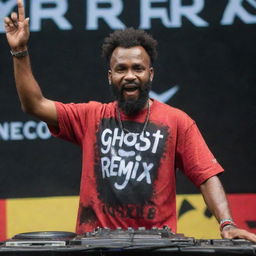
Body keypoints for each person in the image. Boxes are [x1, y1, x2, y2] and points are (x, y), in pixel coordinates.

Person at [4, 0, 256, 242]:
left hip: (157, 246)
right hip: (96, 245)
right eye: (121, 69)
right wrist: (19, 51)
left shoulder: (176, 121)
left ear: (150, 74)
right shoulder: (91, 116)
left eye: (138, 68)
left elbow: (206, 175)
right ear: (110, 76)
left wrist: (227, 224)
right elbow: (34, 105)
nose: (130, 75)